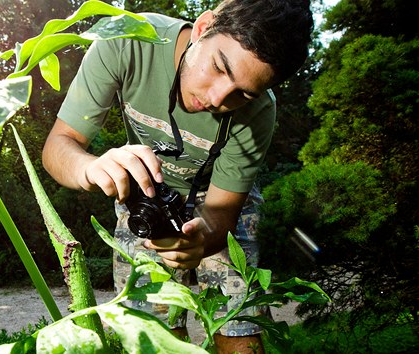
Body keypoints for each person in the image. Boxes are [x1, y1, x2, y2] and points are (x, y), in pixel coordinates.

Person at [42, 0, 313, 352]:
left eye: (243, 94)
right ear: (203, 27)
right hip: (146, 194)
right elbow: (59, 145)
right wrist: (88, 167)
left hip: (215, 201)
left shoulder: (260, 112)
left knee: (239, 327)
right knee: (148, 333)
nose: (217, 98)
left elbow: (223, 210)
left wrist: (201, 240)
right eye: (218, 67)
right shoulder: (126, 41)